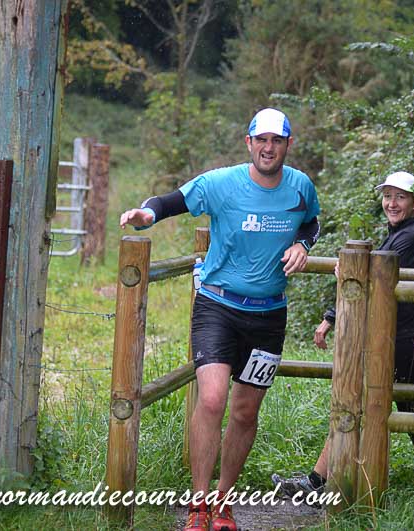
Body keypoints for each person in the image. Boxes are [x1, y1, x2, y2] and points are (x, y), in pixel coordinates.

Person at [120, 108, 320, 531]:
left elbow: (312, 223)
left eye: (277, 141)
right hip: (218, 306)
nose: (268, 148)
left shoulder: (301, 186)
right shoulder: (221, 183)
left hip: (269, 315)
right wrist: (146, 216)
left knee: (245, 412)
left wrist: (303, 244)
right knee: (212, 399)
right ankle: (198, 504)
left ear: (288, 145)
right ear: (249, 143)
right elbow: (169, 202)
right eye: (261, 140)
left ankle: (223, 503)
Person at [271, 171, 414, 502]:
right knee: (381, 408)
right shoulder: (398, 236)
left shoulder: (412, 238)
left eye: (400, 197)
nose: (392, 203)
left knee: (385, 409)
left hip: (410, 342)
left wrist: (348, 276)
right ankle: (320, 481)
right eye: (388, 196)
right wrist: (333, 312)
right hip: (400, 340)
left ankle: (325, 483)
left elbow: (372, 282)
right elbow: (367, 278)